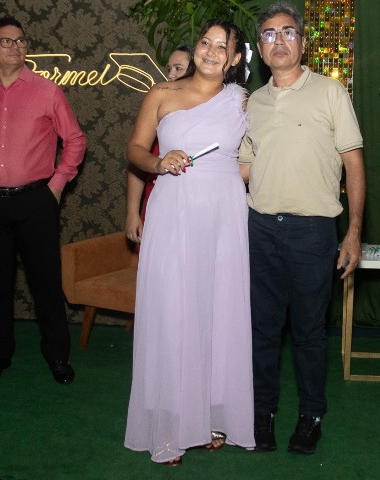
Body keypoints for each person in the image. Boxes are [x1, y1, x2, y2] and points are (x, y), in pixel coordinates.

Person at [124, 19, 255, 466]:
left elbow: (257, 155)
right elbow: (134, 150)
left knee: (218, 310)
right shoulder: (161, 93)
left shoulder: (241, 102)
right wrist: (159, 163)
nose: (211, 51)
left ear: (234, 59)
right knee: (173, 311)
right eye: (205, 42)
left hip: (224, 216)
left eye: (222, 47)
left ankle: (211, 417)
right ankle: (167, 429)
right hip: (173, 212)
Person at [238, 2, 365, 455]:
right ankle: (262, 413)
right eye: (269, 34)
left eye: (288, 32)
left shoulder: (331, 92)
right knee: (263, 330)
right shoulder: (252, 103)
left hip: (313, 233)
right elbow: (244, 169)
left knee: (310, 332)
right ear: (260, 48)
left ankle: (311, 416)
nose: (279, 41)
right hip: (259, 230)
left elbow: (354, 163)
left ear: (303, 42)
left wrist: (353, 232)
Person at [0, 17, 87, 384]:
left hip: (35, 202)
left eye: (21, 40)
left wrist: (56, 185)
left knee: (46, 282)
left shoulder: (47, 91)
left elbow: (75, 140)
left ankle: (57, 357)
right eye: (6, 41)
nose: (15, 46)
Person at [125, 45, 195, 243]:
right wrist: (132, 212)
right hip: (158, 200)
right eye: (169, 69)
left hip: (196, 205)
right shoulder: (159, 109)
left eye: (178, 68)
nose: (171, 75)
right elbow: (135, 163)